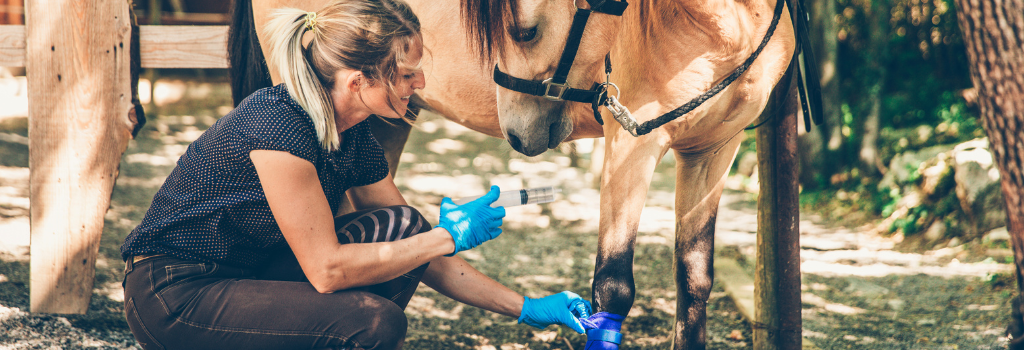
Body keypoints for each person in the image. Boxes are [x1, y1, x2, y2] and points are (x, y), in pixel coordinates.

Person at [119, 1, 590, 349]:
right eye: (407, 74)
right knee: (374, 323)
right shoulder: (279, 128)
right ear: (357, 81)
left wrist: (527, 306)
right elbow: (327, 272)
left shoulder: (352, 136)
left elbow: (418, 248)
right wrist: (446, 237)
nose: (420, 83)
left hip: (248, 275)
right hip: (176, 295)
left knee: (405, 226)